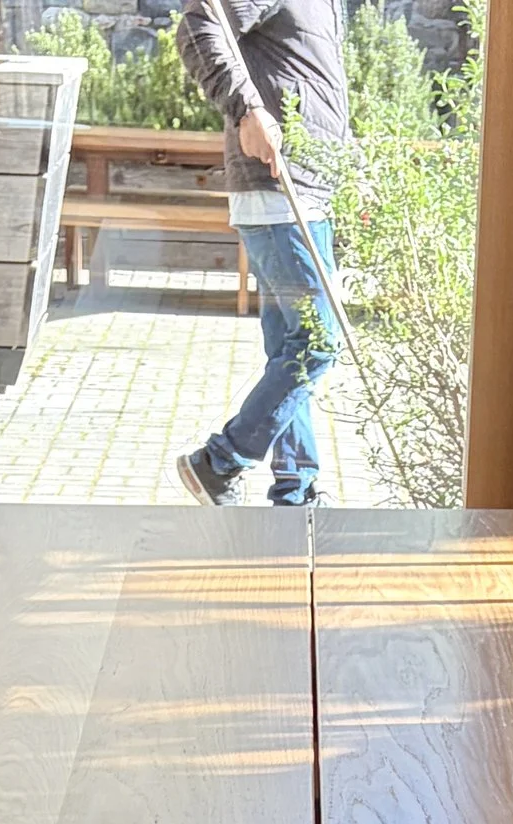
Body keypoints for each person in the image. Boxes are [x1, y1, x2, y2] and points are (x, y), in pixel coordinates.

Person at [174, 0, 350, 508]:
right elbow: (199, 27)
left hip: (307, 190)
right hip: (280, 191)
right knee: (317, 343)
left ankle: (295, 491)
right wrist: (246, 109)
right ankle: (219, 462)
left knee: (292, 349)